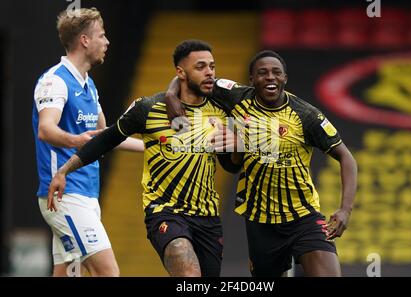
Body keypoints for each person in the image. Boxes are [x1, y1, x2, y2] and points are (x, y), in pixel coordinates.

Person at [47, 40, 240, 277]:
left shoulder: (222, 112)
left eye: (212, 66)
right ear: (180, 72)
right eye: (201, 66)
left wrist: (236, 145)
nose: (210, 72)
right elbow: (107, 139)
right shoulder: (148, 108)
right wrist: (64, 171)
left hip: (208, 217)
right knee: (184, 263)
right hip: (166, 211)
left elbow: (231, 165)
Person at [165, 49, 358, 277]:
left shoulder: (306, 115)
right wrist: (170, 95)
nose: (270, 77)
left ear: (285, 78)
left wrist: (345, 209)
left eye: (276, 73)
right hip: (260, 223)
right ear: (251, 79)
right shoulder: (235, 95)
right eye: (262, 73)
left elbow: (347, 158)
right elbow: (188, 76)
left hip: (302, 217)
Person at [33, 7, 143, 277]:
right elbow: (46, 130)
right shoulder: (55, 81)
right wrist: (76, 139)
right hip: (65, 196)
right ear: (84, 40)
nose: (107, 42)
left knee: (68, 273)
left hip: (86, 196)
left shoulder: (89, 86)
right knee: (108, 273)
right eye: (102, 36)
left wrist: (152, 146)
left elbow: (106, 137)